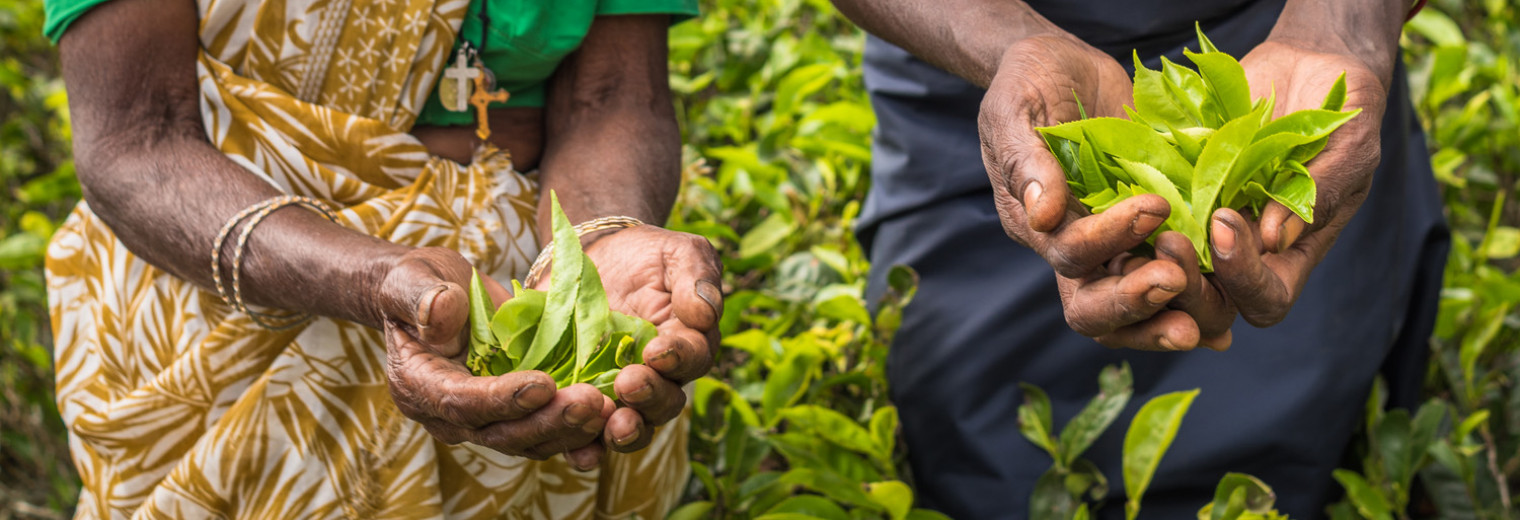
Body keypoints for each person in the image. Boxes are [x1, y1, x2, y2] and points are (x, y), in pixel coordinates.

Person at [43, 0, 721, 517]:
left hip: (521, 290)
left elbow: (611, 96)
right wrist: (375, 279)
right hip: (232, 286)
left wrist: (604, 236)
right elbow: (139, 140)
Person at [830, 0, 1448, 517]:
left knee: (1316, 430)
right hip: (972, 53)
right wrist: (1013, 44)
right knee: (992, 454)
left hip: (1287, 46)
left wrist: (1345, 25)